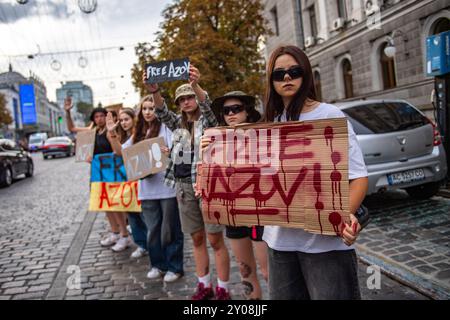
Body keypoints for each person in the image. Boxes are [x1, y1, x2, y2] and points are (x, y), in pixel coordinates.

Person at [262, 45, 369, 300]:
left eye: (294, 71)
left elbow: (358, 177)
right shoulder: (270, 123)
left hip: (324, 245)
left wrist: (345, 218)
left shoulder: (330, 115)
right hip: (280, 243)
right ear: (272, 81)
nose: (287, 77)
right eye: (279, 74)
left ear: (306, 74)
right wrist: (213, 161)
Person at [143, 65, 232, 299]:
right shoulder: (178, 124)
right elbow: (161, 111)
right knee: (197, 237)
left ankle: (223, 288)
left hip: (208, 186)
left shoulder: (209, 120)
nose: (186, 102)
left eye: (189, 97)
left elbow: (207, 104)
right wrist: (154, 91)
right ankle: (204, 285)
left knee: (215, 239)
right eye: (181, 99)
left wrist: (195, 85)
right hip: (183, 187)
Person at [201, 91, 268, 299]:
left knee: (268, 273)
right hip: (234, 214)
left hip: (260, 213)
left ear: (247, 111)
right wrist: (204, 153)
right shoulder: (215, 139)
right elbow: (208, 178)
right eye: (227, 110)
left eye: (236, 109)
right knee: (246, 272)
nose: (231, 114)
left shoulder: (264, 135)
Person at [109, 96, 184, 283]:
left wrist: (170, 151)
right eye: (145, 109)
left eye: (151, 108)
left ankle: (174, 267)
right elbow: (121, 152)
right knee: (153, 231)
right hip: (147, 190)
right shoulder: (138, 133)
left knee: (171, 230)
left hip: (167, 188)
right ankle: (157, 264)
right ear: (140, 112)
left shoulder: (167, 127)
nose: (148, 112)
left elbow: (181, 147)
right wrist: (112, 134)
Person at [64, 97, 131, 252]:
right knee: (105, 204)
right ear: (93, 119)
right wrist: (67, 112)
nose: (99, 119)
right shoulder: (92, 131)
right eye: (97, 116)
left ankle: (124, 234)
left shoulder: (112, 131)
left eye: (102, 116)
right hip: (99, 172)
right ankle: (115, 232)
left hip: (113, 172)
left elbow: (118, 150)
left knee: (116, 204)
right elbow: (72, 128)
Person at [107, 107, 148, 259]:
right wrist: (112, 133)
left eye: (127, 119)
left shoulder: (142, 134)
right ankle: (142, 244)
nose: (124, 123)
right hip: (126, 181)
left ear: (134, 119)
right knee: (133, 216)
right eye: (122, 120)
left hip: (141, 180)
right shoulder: (122, 137)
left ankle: (151, 244)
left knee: (145, 216)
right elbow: (119, 152)